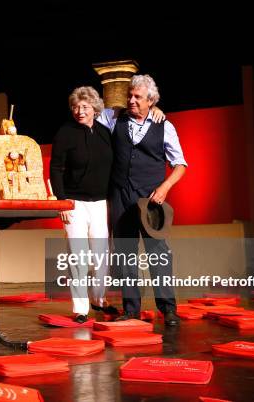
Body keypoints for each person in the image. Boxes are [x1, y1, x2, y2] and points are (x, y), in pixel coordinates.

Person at [99, 74, 187, 326]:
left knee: (158, 255)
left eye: (138, 97)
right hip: (120, 195)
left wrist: (165, 188)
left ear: (151, 101)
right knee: (126, 254)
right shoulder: (115, 117)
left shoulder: (164, 126)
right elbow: (89, 111)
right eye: (130, 95)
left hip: (151, 198)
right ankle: (131, 310)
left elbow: (180, 164)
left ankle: (168, 309)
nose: (131, 100)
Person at [50, 86, 118, 323]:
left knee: (101, 255)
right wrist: (61, 202)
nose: (80, 111)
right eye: (76, 107)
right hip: (74, 203)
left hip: (101, 203)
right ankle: (80, 308)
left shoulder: (104, 132)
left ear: (94, 109)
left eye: (85, 107)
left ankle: (99, 300)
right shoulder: (65, 133)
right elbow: (56, 169)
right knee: (78, 256)